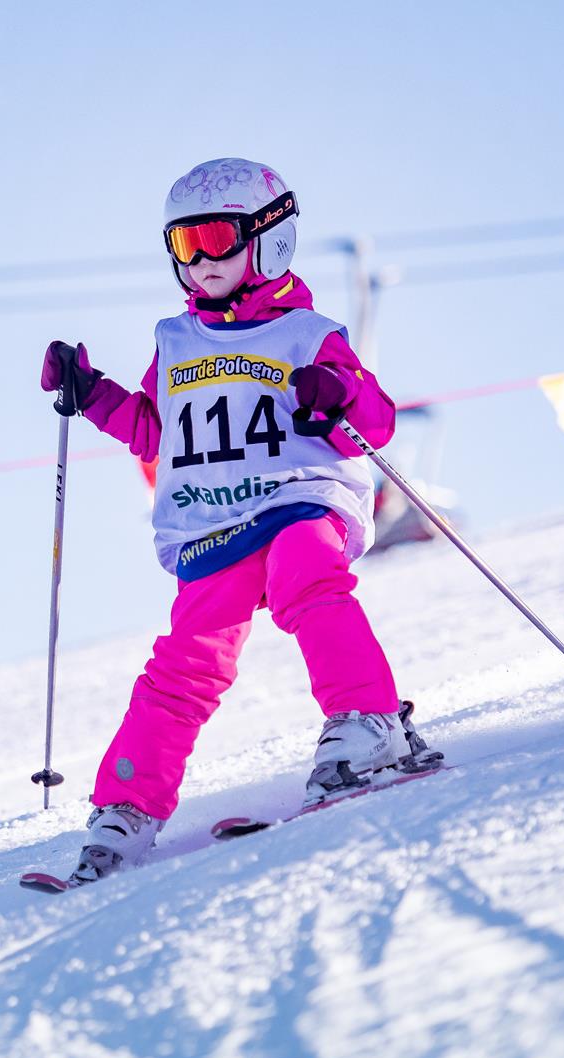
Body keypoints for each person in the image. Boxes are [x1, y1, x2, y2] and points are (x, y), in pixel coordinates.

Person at [39, 157, 422, 887]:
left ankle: (369, 722)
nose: (202, 261)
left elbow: (374, 420)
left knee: (307, 577)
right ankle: (127, 806)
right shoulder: (177, 342)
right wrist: (91, 394)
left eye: (217, 239)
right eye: (185, 245)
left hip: (299, 497)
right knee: (187, 659)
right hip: (214, 520)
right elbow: (154, 431)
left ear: (269, 239)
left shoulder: (307, 335)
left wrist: (334, 392)